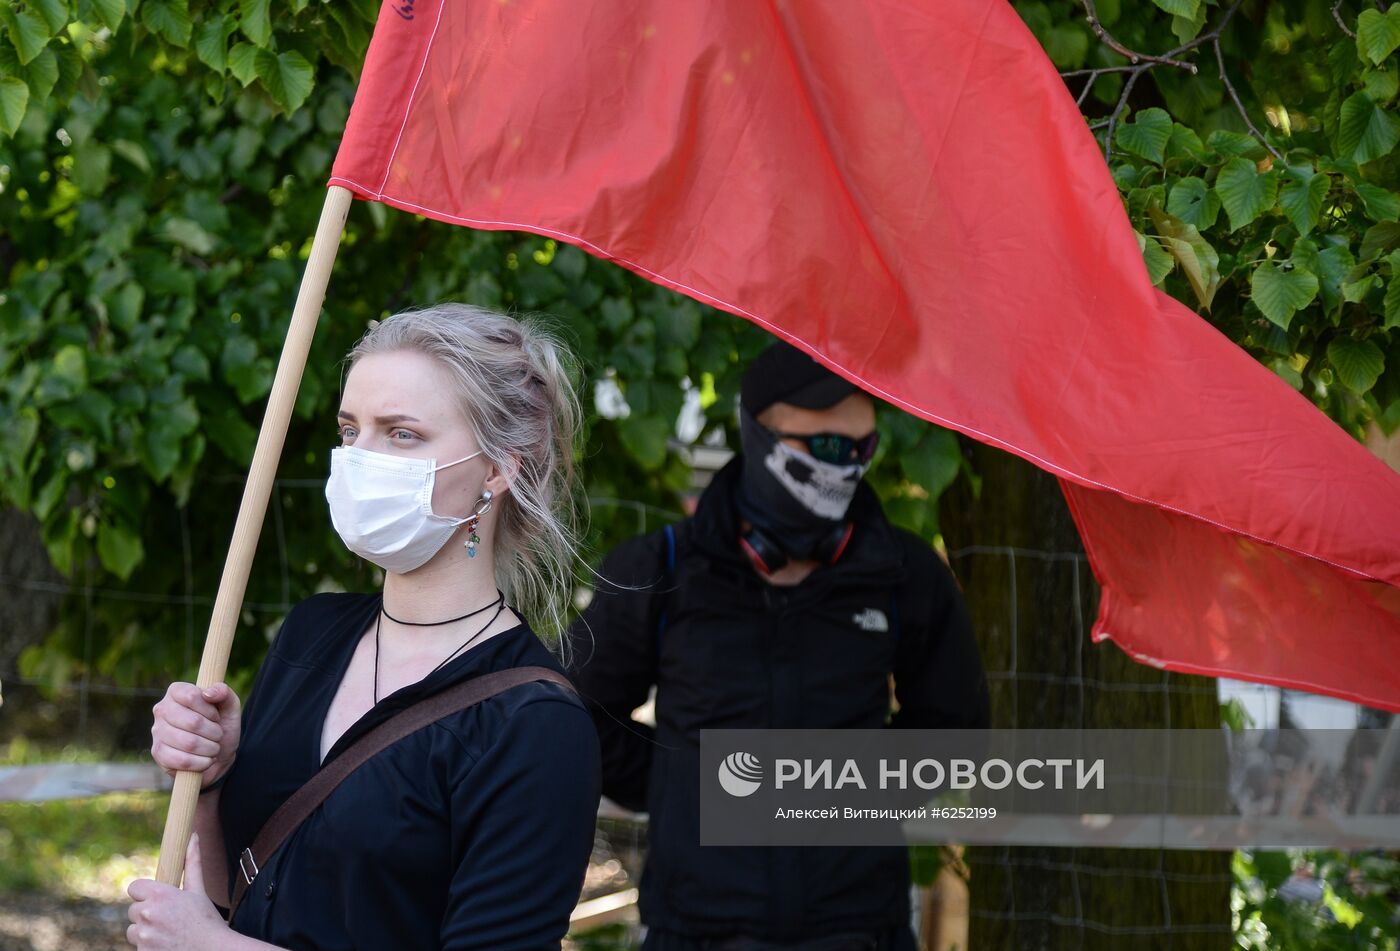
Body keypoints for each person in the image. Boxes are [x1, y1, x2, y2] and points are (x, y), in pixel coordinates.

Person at [130, 304, 603, 950]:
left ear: (496, 468)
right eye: (351, 430)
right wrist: (209, 779)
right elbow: (233, 895)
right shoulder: (311, 634)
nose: (360, 458)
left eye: (401, 433)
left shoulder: (535, 723)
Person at [567, 339, 991, 951]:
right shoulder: (657, 568)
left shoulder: (905, 574)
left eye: (859, 450)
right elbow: (580, 714)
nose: (843, 466)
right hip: (697, 929)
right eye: (822, 447)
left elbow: (954, 731)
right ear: (758, 435)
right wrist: (688, 784)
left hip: (858, 928)